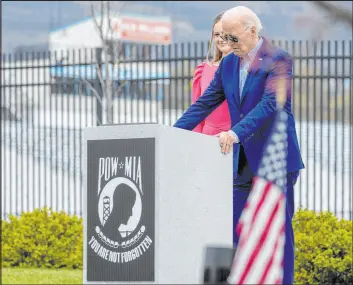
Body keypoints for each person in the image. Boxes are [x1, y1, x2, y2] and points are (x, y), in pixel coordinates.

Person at [173, 6, 304, 285]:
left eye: (233, 38)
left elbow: (271, 104)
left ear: (252, 31)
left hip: (275, 161)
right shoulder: (229, 64)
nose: (228, 45)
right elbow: (205, 103)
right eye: (224, 38)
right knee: (235, 230)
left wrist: (235, 132)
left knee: (279, 232)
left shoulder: (278, 59)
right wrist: (171, 134)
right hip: (242, 163)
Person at [192, 11, 232, 135]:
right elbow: (196, 111)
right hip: (207, 138)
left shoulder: (247, 69)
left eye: (225, 34)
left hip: (235, 138)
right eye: (217, 34)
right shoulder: (202, 70)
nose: (221, 39)